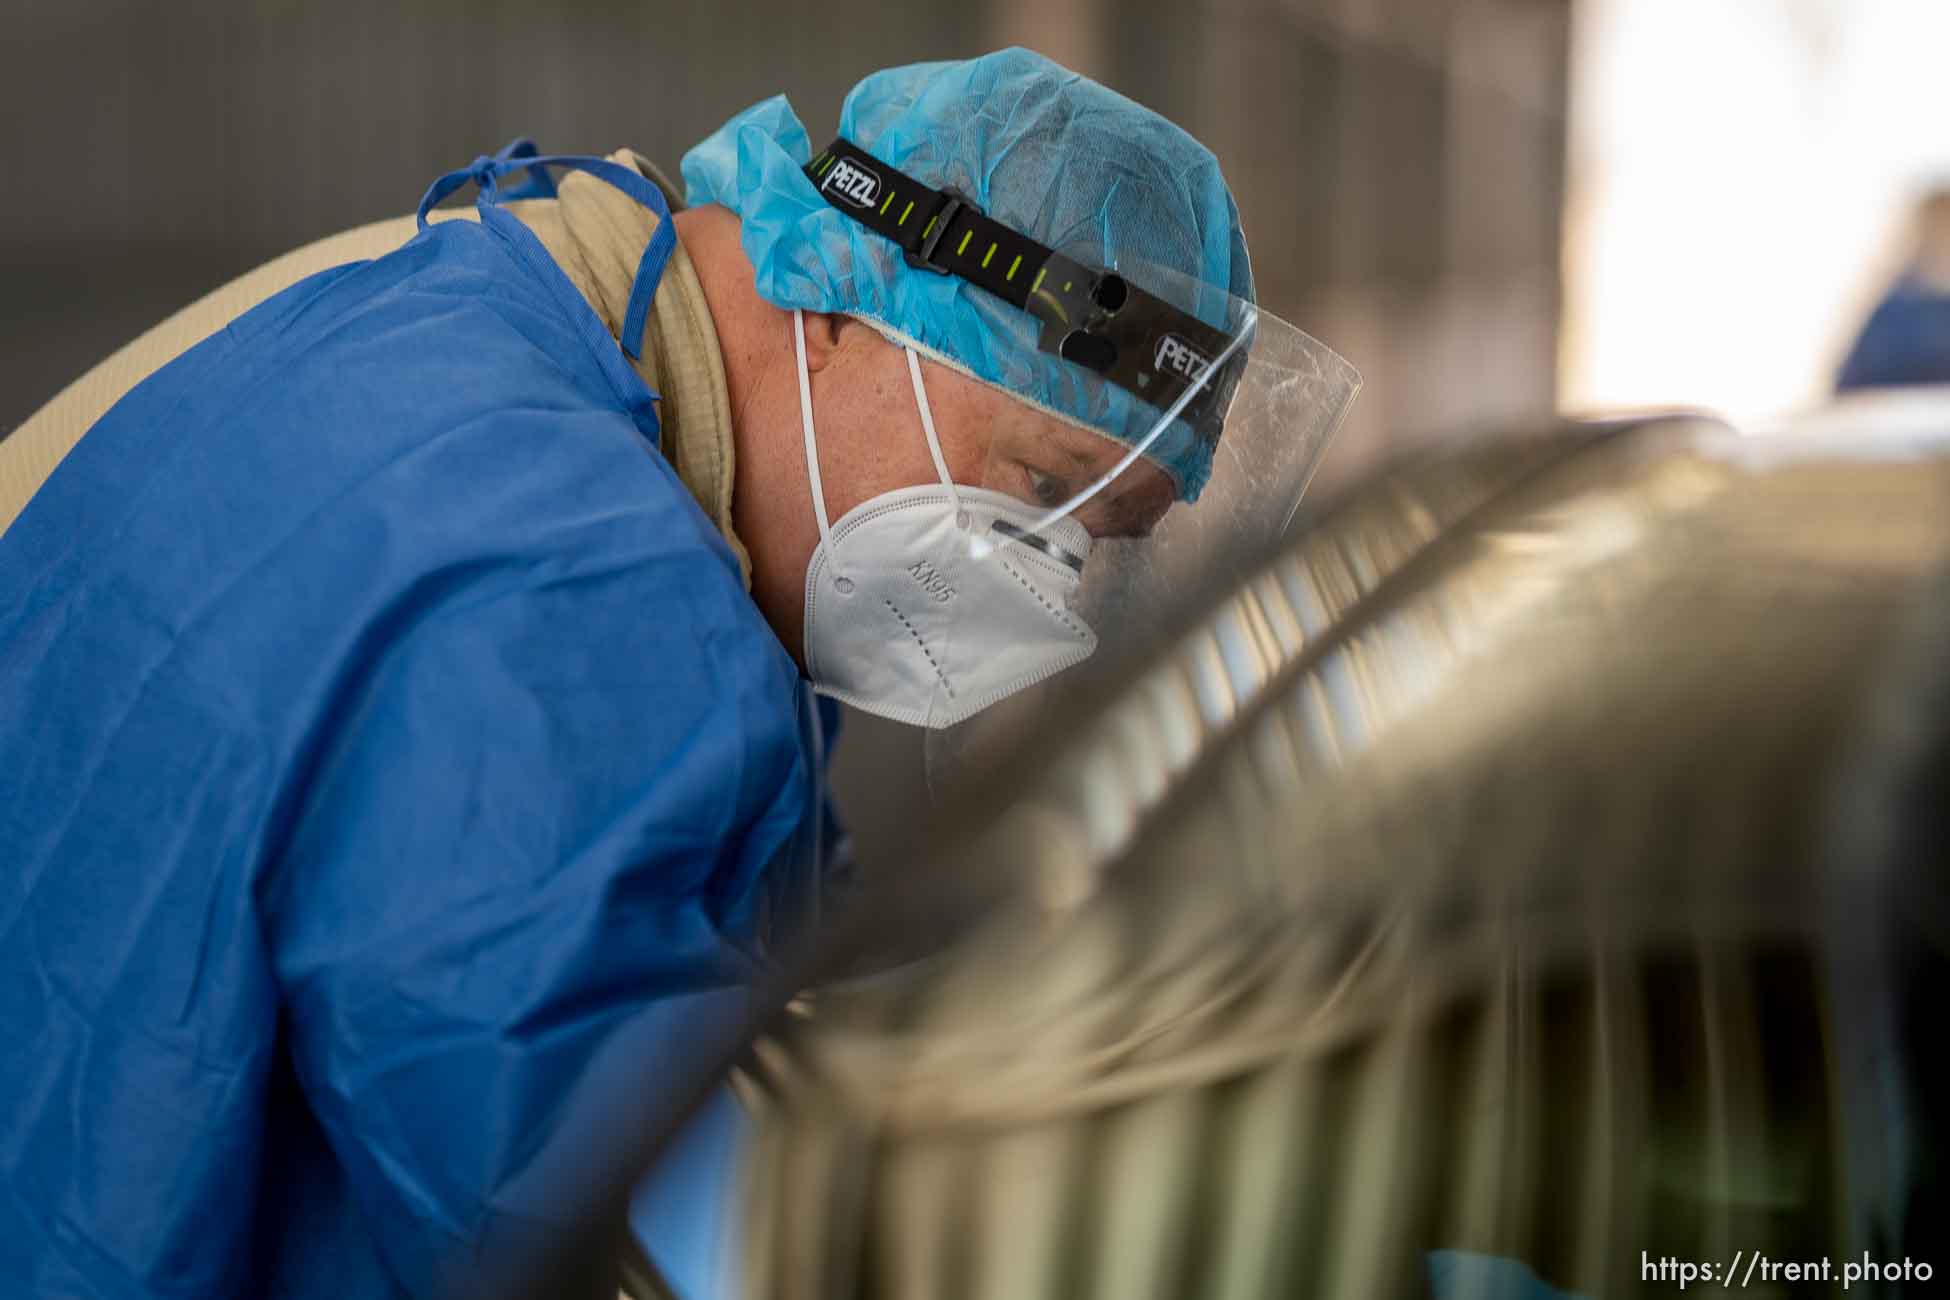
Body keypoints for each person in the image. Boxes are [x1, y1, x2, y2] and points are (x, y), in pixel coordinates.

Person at [0, 48, 1351, 1299]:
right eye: (1037, 492)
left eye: (1092, 551)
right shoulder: (552, 572)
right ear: (838, 307)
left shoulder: (542, 306)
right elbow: (603, 1207)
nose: (1043, 589)